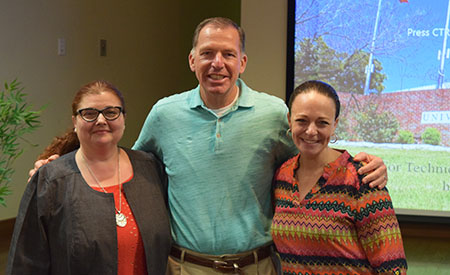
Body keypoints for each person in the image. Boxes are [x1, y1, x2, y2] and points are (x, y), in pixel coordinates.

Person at [28, 18, 388, 275]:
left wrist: (360, 163)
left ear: (242, 62)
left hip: (258, 266)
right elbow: (124, 164)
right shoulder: (165, 114)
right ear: (192, 60)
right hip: (186, 266)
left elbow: (312, 157)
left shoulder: (273, 114)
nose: (218, 63)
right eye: (208, 53)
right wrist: (64, 166)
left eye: (228, 54)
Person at [7, 80, 171, 275]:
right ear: (75, 122)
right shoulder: (51, 180)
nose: (101, 120)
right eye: (89, 114)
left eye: (111, 112)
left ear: (123, 119)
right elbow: (27, 262)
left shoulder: (150, 168)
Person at [271, 80, 407, 274]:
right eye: (302, 120)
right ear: (289, 120)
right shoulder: (282, 176)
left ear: (334, 125)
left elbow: (393, 267)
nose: (311, 131)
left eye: (322, 122)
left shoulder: (362, 179)